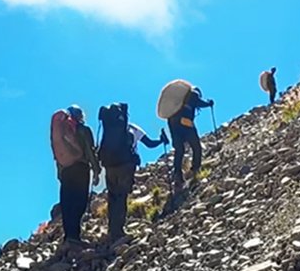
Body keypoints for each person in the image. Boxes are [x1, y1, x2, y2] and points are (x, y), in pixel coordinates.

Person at [100, 106, 166, 243]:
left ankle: (112, 229)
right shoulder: (133, 129)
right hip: (125, 166)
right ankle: (119, 231)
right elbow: (149, 144)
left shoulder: (109, 129)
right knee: (122, 196)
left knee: (112, 197)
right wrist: (161, 140)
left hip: (110, 166)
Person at [50, 105, 100, 248]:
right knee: (80, 202)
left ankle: (68, 237)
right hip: (81, 168)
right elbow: (90, 151)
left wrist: (60, 174)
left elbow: (57, 156)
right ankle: (75, 237)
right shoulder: (83, 130)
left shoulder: (60, 131)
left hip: (65, 171)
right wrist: (96, 170)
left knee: (67, 203)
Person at [165, 87, 213, 208]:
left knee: (179, 150)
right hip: (186, 123)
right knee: (196, 146)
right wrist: (209, 103)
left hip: (173, 123)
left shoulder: (177, 101)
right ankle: (195, 169)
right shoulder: (193, 94)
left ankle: (178, 176)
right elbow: (200, 103)